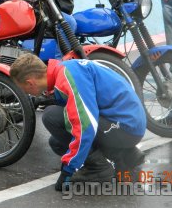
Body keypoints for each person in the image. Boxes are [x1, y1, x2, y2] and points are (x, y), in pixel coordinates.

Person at [10, 53, 146, 191]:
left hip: (127, 127)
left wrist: (68, 170)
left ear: (30, 83)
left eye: (23, 89)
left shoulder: (67, 77)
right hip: (126, 123)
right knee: (57, 143)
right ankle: (125, 154)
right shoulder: (64, 68)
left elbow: (86, 125)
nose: (25, 93)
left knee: (51, 116)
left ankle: (98, 168)